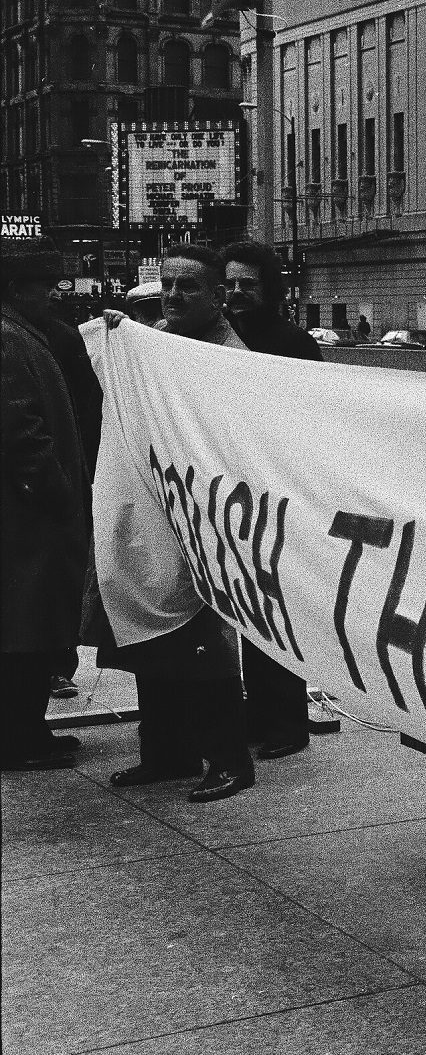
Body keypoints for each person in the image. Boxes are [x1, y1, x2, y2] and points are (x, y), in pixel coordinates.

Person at [91, 245, 257, 802]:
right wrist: (121, 336)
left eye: (189, 287)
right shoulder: (158, 335)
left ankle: (229, 761)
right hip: (163, 511)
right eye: (169, 284)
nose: (175, 295)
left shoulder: (228, 356)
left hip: (203, 520)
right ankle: (166, 752)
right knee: (156, 645)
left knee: (205, 648)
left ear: (217, 296)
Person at [221, 240, 337, 757]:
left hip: (277, 492)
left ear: (269, 288)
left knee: (272, 610)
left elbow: (310, 420)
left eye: (248, 284)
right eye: (231, 284)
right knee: (243, 606)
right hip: (231, 490)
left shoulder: (292, 342)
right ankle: (257, 714)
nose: (238, 293)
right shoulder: (213, 339)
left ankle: (285, 723)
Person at [1, 244, 101, 703]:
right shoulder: (9, 340)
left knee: (31, 621)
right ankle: (23, 737)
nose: (52, 296)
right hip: (29, 513)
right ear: (15, 290)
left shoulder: (26, 334)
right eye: (43, 287)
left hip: (31, 509)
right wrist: (59, 494)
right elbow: (22, 429)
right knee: (27, 624)